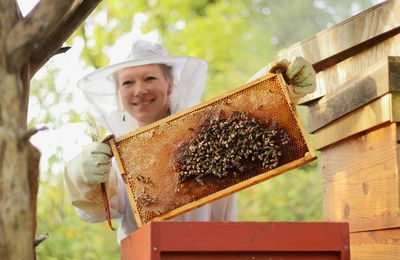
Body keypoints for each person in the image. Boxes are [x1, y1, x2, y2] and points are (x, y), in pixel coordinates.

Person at [64, 39, 316, 243]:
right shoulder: (118, 155)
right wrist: (82, 175)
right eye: (128, 82)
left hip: (214, 256)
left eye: (149, 78)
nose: (139, 90)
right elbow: (92, 212)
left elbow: (248, 119)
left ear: (170, 85)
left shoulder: (202, 132)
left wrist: (283, 86)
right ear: (119, 93)